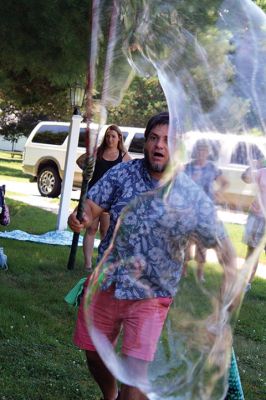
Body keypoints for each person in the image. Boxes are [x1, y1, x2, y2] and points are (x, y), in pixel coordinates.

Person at [68, 112, 237, 400]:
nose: (160, 145)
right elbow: (90, 209)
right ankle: (110, 395)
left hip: (151, 295)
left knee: (135, 385)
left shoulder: (190, 196)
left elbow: (226, 252)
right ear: (146, 143)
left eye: (168, 140)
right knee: (94, 355)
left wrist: (225, 305)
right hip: (108, 281)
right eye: (154, 138)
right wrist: (79, 218)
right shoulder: (122, 174)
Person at [76, 125, 131, 271]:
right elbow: (80, 160)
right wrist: (88, 170)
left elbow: (131, 172)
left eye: (113, 136)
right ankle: (87, 264)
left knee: (105, 232)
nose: (110, 139)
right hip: (93, 196)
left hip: (111, 200)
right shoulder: (98, 152)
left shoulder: (123, 155)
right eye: (108, 136)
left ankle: (101, 265)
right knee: (91, 229)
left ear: (119, 138)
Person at [184, 139, 229, 281]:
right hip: (189, 209)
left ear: (208, 152)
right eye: (199, 150)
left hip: (206, 211)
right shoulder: (187, 167)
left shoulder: (212, 168)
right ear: (195, 151)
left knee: (202, 242)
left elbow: (225, 183)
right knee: (186, 240)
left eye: (204, 150)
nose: (201, 153)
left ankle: (200, 273)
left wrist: (218, 192)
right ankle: (183, 270)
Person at [242, 158, 266, 290]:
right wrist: (251, 167)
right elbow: (245, 178)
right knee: (252, 251)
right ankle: (246, 282)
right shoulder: (262, 172)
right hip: (256, 216)